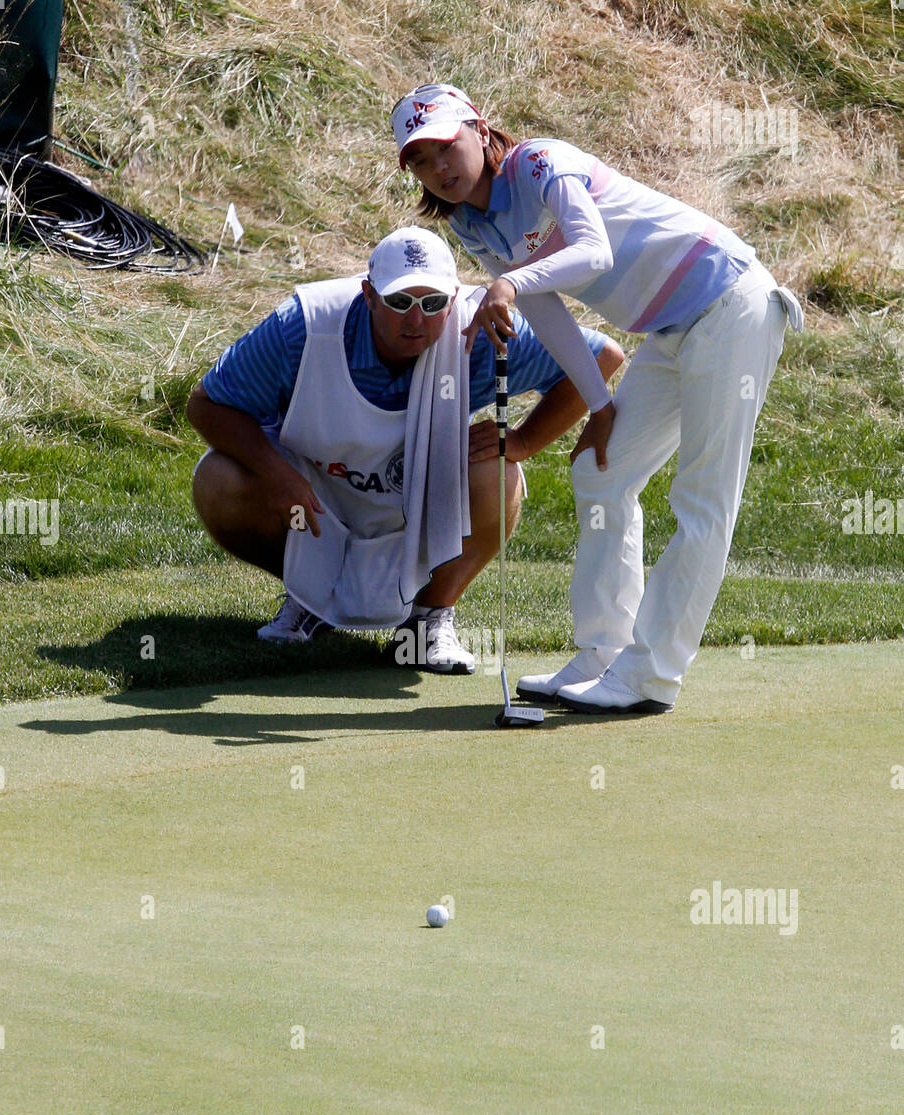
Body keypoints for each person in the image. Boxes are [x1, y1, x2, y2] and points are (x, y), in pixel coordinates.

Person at [392, 84, 804, 712]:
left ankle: (651, 677)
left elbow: (593, 250)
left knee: (702, 498)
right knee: (599, 471)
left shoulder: (540, 163)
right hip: (668, 332)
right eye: (420, 160)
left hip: (731, 303)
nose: (439, 168)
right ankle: (604, 653)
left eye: (446, 146)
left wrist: (506, 280)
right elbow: (543, 309)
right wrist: (600, 405)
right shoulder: (474, 223)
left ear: (478, 129)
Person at [188, 226, 623, 674]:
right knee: (217, 478)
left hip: (421, 509)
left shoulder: (480, 328)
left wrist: (525, 440)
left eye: (433, 304)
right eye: (399, 303)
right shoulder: (301, 325)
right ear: (369, 295)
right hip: (315, 500)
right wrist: (275, 475)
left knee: (500, 474)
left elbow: (603, 356)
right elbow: (206, 404)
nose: (416, 320)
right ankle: (311, 596)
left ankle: (428, 620)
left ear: (454, 299)